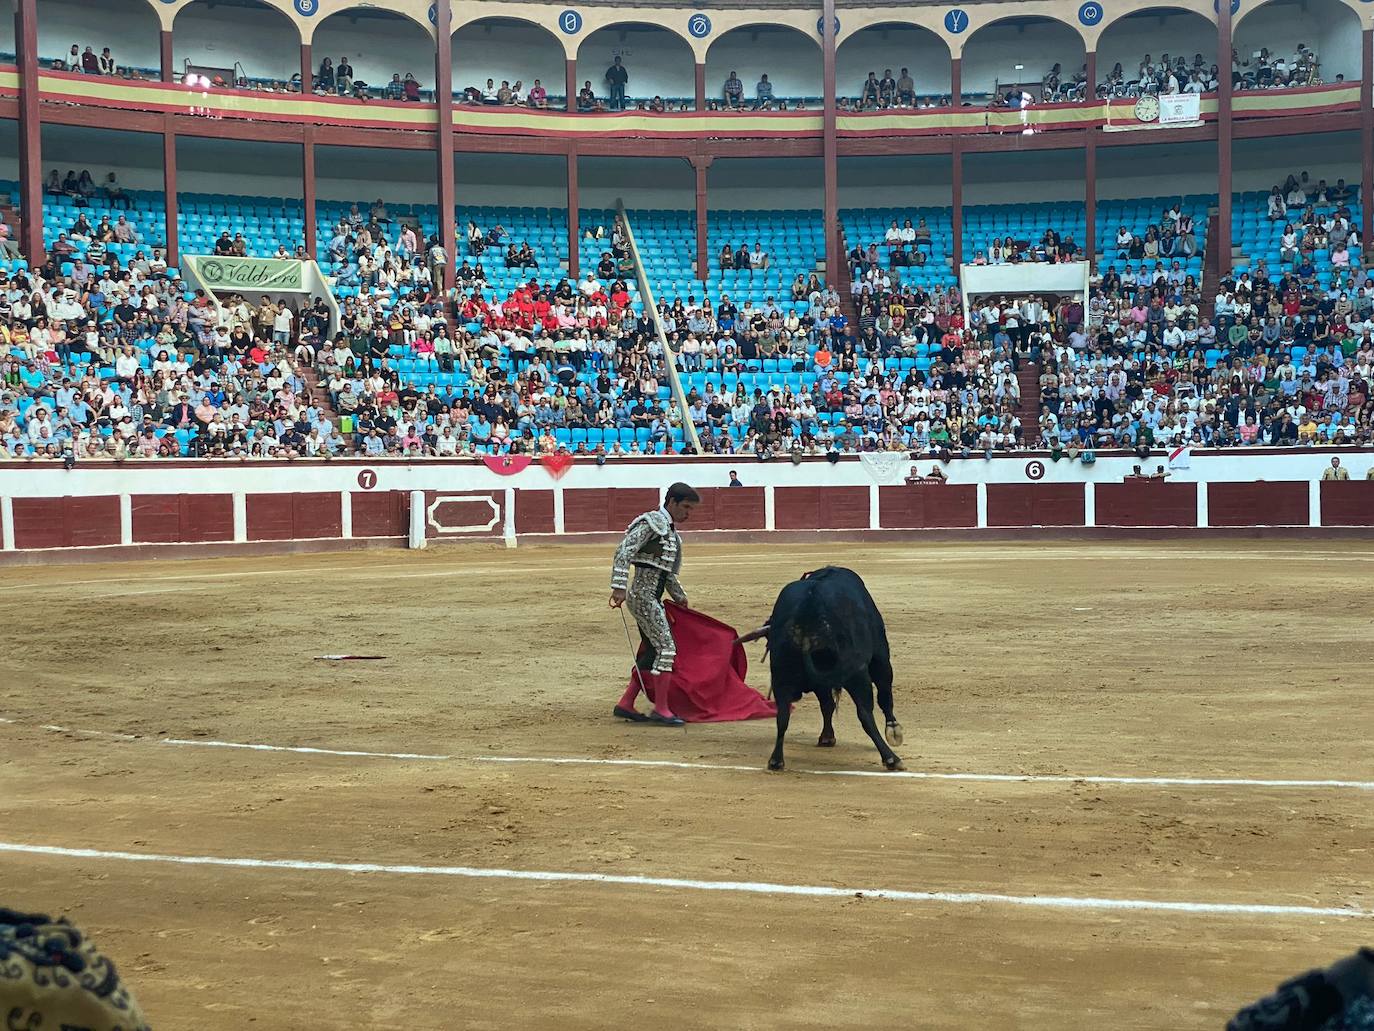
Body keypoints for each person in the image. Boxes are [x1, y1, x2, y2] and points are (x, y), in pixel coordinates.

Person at [608, 482, 700, 726]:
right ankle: (661, 708)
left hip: (650, 597)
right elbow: (623, 551)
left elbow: (666, 573)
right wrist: (618, 586)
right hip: (643, 597)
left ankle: (626, 703)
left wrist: (680, 597)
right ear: (672, 502)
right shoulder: (651, 522)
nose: (688, 514)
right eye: (686, 507)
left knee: (652, 650)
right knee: (666, 649)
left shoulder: (669, 532)